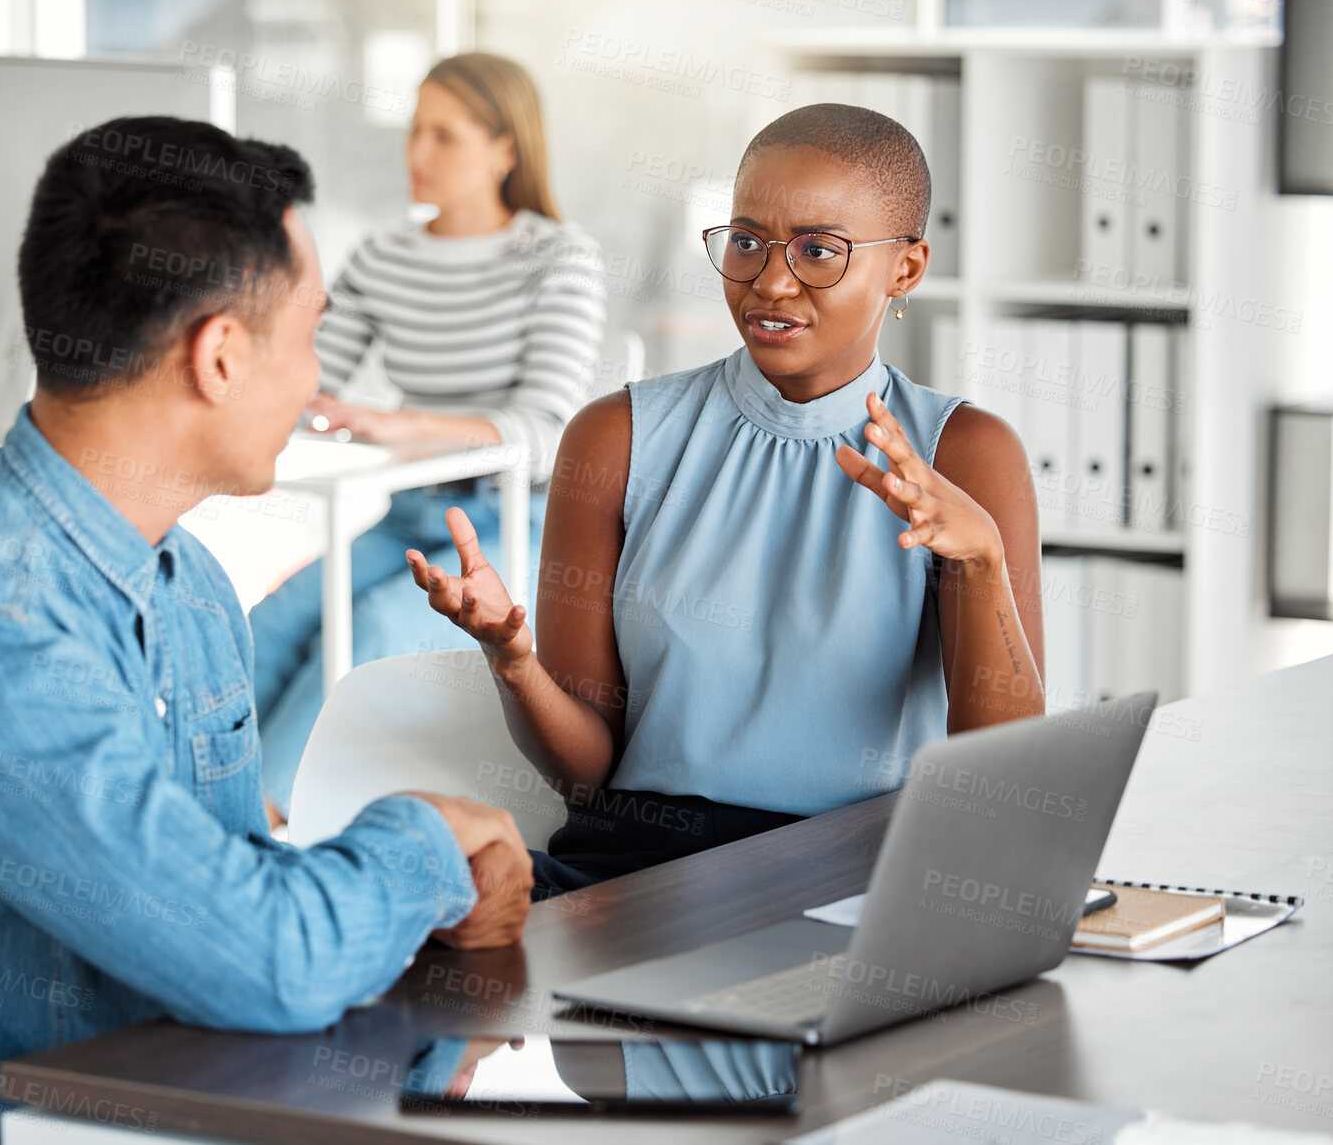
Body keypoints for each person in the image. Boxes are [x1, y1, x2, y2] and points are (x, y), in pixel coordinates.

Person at [0, 115, 532, 1145]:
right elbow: (269, 957)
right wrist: (432, 841)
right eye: (310, 338)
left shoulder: (188, 582)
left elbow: (230, 919)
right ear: (219, 356)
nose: (317, 384)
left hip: (211, 1101)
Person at [405, 103, 1047, 897]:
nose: (771, 281)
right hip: (639, 874)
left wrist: (980, 560)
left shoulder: (968, 455)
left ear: (906, 270)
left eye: (820, 251)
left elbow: (1002, 794)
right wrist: (513, 662)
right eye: (746, 241)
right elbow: (585, 775)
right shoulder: (616, 438)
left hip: (859, 883)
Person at [250, 52, 606, 818]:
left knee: (372, 622)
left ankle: (272, 821)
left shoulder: (557, 258)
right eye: (414, 131)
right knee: (278, 615)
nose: (417, 154)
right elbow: (310, 375)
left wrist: (401, 422)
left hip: (519, 524)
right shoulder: (384, 256)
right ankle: (207, 805)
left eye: (444, 136)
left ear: (505, 149)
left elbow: (546, 434)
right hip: (414, 513)